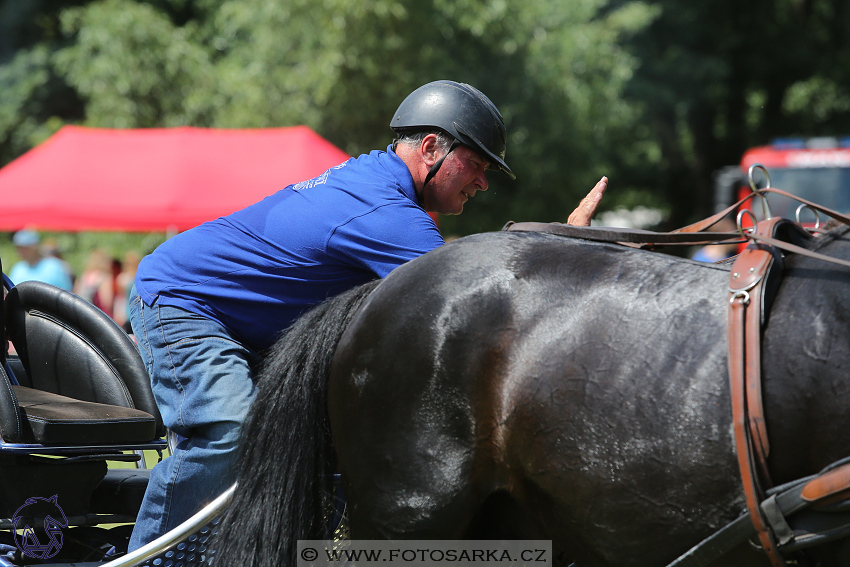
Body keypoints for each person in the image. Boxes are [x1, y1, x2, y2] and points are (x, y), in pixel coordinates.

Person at [126, 80, 608, 550]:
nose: (483, 182)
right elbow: (467, 292)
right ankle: (150, 559)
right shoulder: (381, 208)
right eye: (476, 164)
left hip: (246, 328)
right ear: (432, 148)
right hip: (184, 304)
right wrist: (561, 245)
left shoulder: (381, 189)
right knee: (230, 431)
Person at [8, 230, 73, 291]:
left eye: (25, 248)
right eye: (19, 248)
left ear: (35, 246)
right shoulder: (18, 269)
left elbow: (66, 292)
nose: (21, 251)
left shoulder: (54, 266)